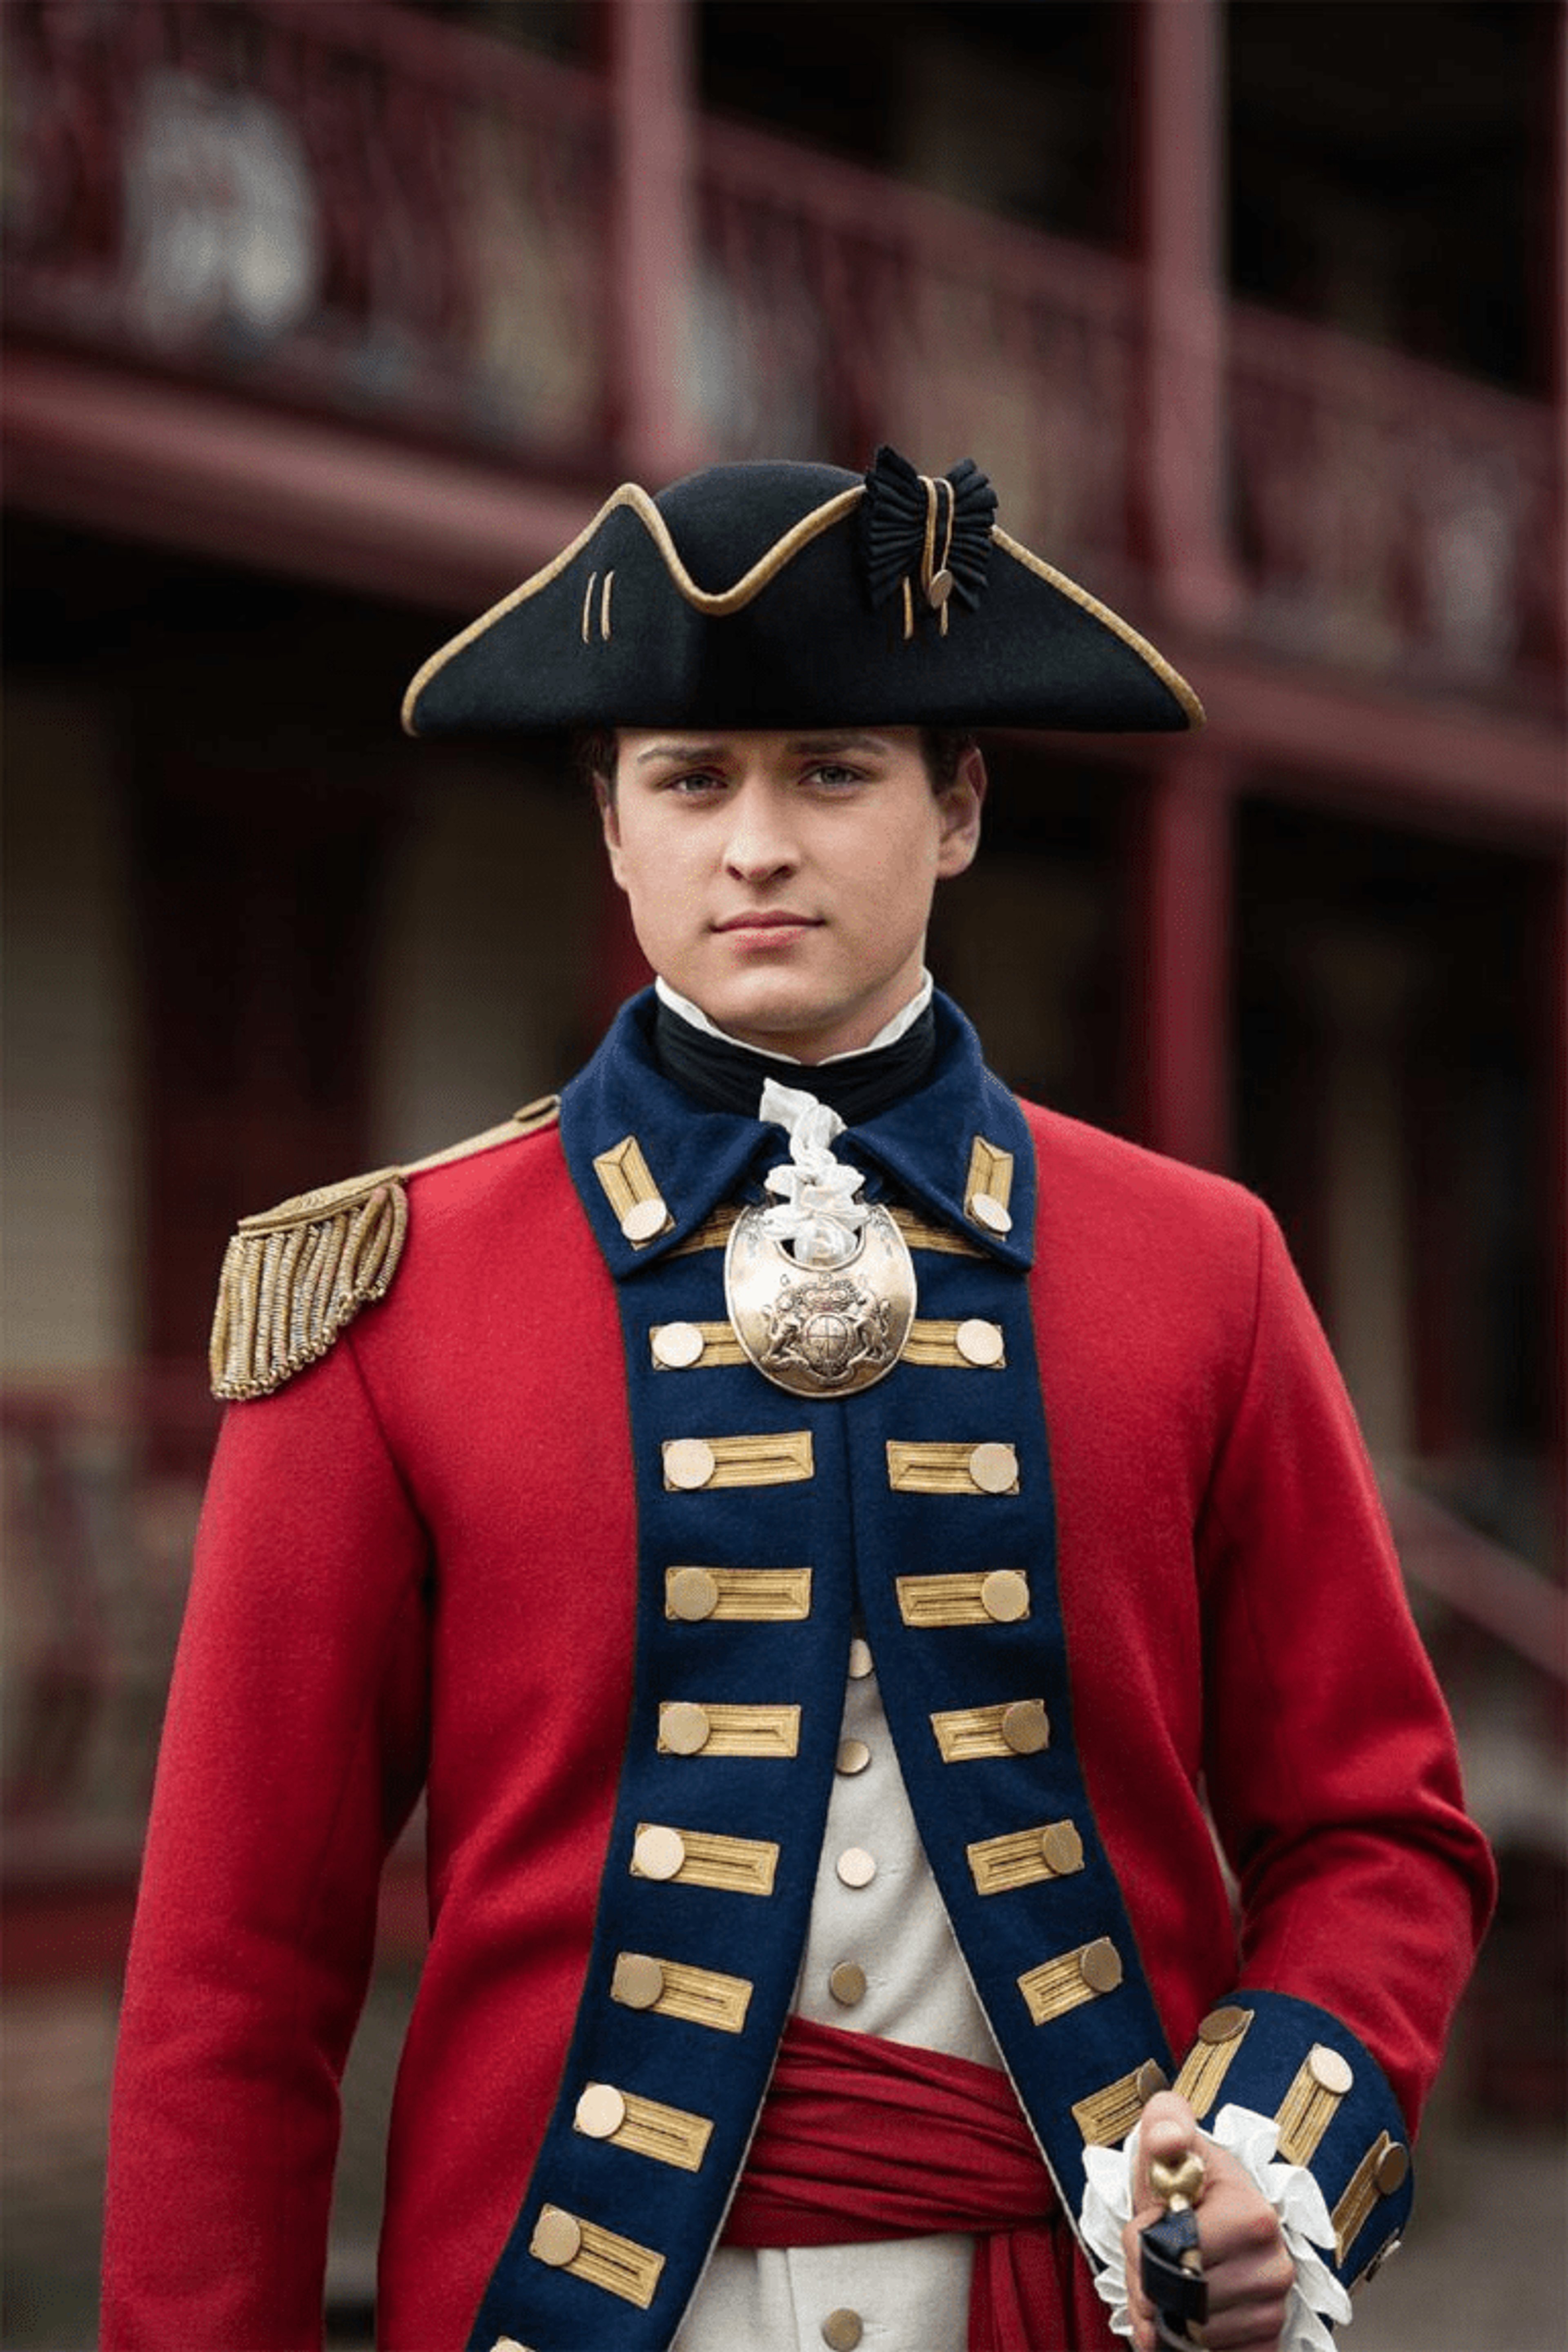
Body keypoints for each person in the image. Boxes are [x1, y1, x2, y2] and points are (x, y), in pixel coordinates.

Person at [102, 448, 1493, 2352]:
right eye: (691, 781)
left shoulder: (1203, 1268)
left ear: (962, 809)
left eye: (833, 771)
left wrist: (1272, 2152)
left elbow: (1376, 1830)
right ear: (612, 829)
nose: (756, 844)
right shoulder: (387, 1297)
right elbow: (232, 1981)